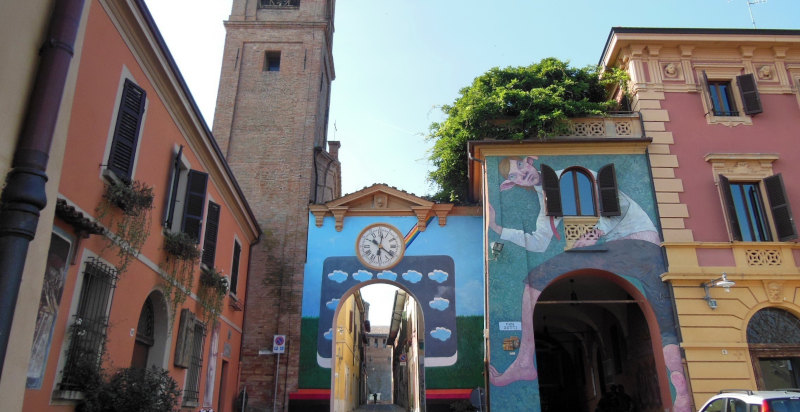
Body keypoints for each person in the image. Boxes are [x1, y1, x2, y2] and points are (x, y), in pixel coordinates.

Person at [488, 156, 674, 388]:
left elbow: (618, 202)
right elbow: (539, 243)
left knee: (535, 281)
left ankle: (525, 362)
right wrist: (497, 228)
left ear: (530, 161)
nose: (522, 174)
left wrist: (595, 232)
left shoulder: (572, 174)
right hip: (630, 251)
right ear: (511, 185)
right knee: (667, 325)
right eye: (514, 176)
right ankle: (682, 390)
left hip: (638, 241)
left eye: (521, 166)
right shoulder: (545, 199)